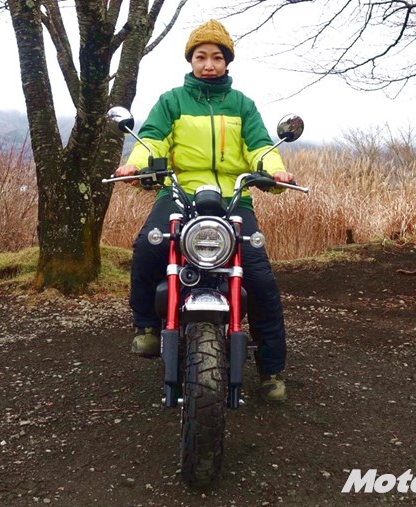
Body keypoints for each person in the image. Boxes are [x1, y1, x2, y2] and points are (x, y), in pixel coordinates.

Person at [114, 19, 294, 402]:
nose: (208, 64)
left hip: (234, 197)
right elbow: (152, 139)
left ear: (227, 62)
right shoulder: (172, 101)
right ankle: (146, 326)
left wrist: (275, 171)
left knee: (259, 277)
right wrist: (136, 164)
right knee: (148, 245)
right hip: (180, 192)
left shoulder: (242, 104)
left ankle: (271, 369)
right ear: (191, 60)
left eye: (216, 57)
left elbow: (260, 146)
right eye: (201, 57)